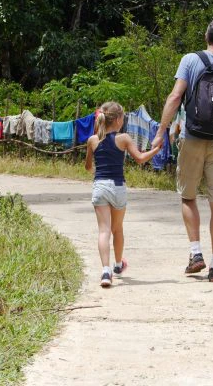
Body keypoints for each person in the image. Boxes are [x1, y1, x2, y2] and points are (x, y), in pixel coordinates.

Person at [152, 19, 213, 282]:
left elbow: (174, 97)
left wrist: (161, 132)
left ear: (206, 37)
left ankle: (196, 254)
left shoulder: (189, 60)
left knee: (188, 196)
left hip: (191, 137)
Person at [85, 101, 161, 288]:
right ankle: (118, 265)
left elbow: (88, 167)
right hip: (118, 186)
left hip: (100, 186)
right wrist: (157, 149)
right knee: (117, 229)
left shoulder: (93, 140)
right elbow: (141, 159)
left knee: (104, 231)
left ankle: (105, 271)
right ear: (118, 120)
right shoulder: (124, 138)